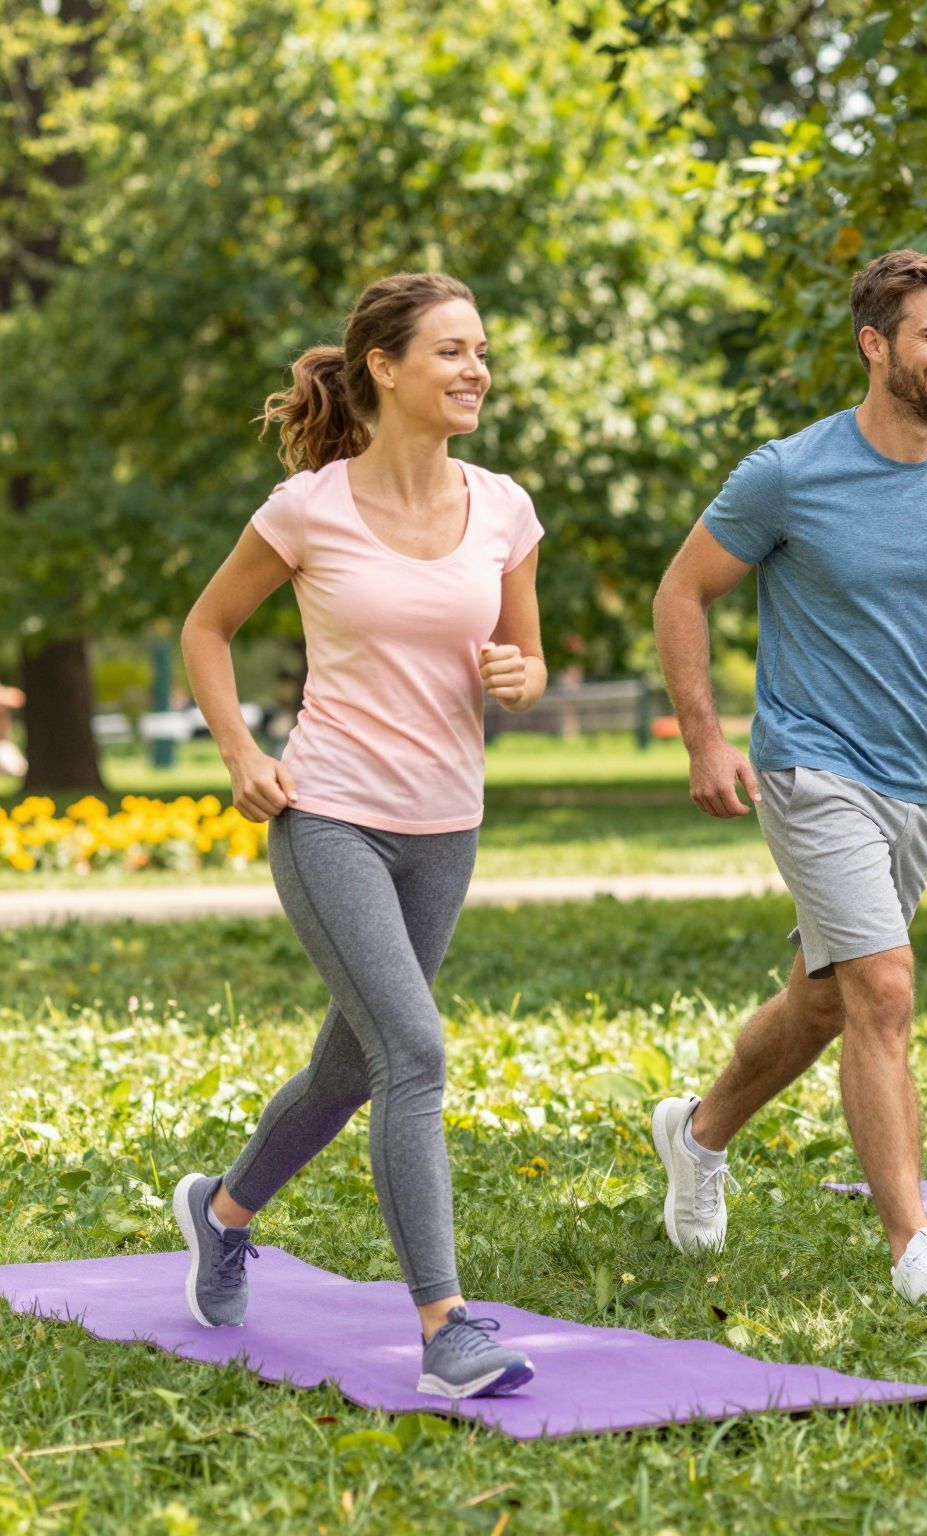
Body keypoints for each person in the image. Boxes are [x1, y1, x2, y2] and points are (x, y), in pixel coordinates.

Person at [648, 249, 927, 1308]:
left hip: (920, 780)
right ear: (876, 346)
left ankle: (697, 1135)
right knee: (883, 989)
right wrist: (705, 737)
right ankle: (915, 1247)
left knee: (824, 1001)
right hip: (811, 761)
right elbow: (683, 592)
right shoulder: (790, 471)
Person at [177, 273, 546, 1398]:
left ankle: (222, 1210)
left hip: (446, 823)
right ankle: (446, 1328)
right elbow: (206, 627)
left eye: (480, 350)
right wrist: (244, 754)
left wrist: (516, 676)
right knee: (417, 1053)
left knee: (351, 1068)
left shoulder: (505, 509)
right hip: (328, 813)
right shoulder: (309, 509)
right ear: (384, 368)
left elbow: (525, 667)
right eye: (449, 351)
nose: (475, 369)